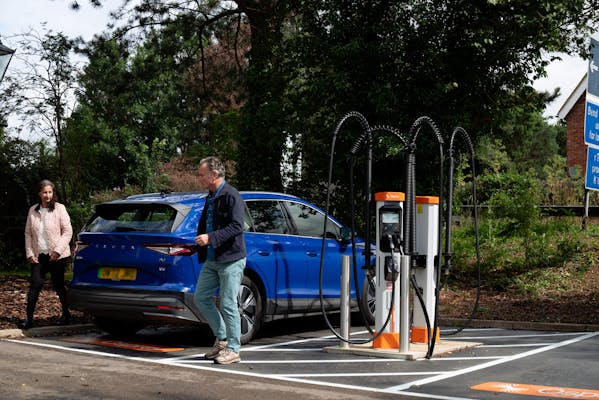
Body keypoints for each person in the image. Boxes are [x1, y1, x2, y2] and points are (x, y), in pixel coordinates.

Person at [193, 157, 246, 365]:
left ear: (214, 175)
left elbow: (236, 227)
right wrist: (201, 242)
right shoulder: (211, 196)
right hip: (213, 258)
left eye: (201, 175)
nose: (199, 178)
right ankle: (222, 340)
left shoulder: (231, 195)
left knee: (228, 303)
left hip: (231, 259)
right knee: (201, 297)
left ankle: (234, 349)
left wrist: (210, 238)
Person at [21, 179, 73, 329]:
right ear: (39, 193)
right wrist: (30, 253)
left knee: (58, 286)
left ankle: (66, 314)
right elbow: (28, 234)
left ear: (53, 193)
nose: (47, 195)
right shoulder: (33, 210)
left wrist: (57, 251)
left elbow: (68, 231)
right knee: (35, 286)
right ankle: (29, 319)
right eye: (44, 192)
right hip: (39, 256)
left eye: (50, 192)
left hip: (58, 256)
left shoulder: (59, 208)